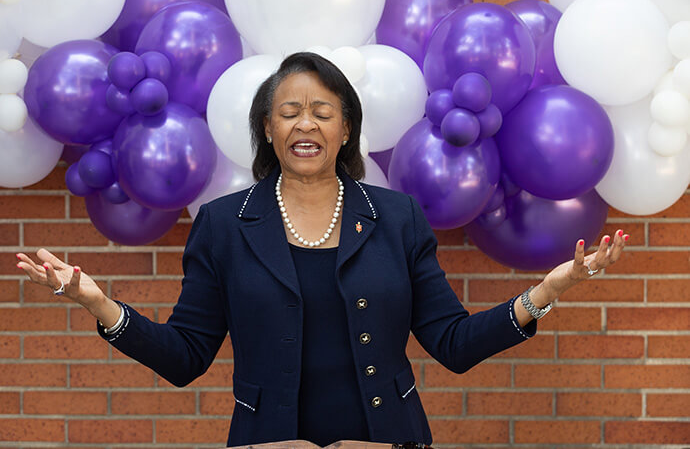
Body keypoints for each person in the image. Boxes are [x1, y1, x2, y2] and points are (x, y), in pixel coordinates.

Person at [16, 52, 628, 448]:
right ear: (267, 129)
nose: (305, 124)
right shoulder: (224, 225)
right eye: (289, 112)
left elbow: (453, 344)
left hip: (388, 441)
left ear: (345, 130)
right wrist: (99, 304)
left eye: (321, 112)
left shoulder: (395, 217)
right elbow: (186, 357)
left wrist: (548, 292)